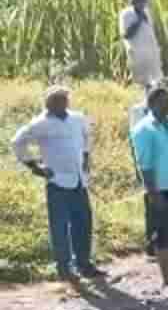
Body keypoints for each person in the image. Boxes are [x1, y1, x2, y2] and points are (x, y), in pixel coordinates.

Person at [10, 86, 105, 281]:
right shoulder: (41, 124)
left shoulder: (77, 118)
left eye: (64, 100)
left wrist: (86, 155)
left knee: (83, 222)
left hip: (79, 180)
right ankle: (64, 268)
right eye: (56, 101)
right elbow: (17, 142)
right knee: (60, 226)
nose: (61, 104)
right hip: (57, 181)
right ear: (48, 103)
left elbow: (87, 134)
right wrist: (35, 166)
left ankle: (84, 264)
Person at [130, 83, 168, 288]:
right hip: (159, 189)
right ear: (152, 104)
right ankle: (167, 278)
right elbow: (144, 165)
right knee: (163, 234)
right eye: (163, 102)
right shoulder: (144, 129)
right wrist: (153, 194)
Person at [127, 97, 157, 257]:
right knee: (151, 204)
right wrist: (138, 169)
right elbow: (134, 141)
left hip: (164, 163)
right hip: (147, 163)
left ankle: (164, 243)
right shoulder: (137, 111)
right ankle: (152, 244)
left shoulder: (166, 108)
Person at [119, 0, 164, 87]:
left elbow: (150, 32)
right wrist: (138, 21)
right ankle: (125, 88)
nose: (143, 3)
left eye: (144, 0)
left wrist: (155, 48)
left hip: (150, 51)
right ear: (134, 1)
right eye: (140, 0)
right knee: (140, 80)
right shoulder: (126, 14)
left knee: (154, 80)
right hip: (136, 52)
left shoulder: (146, 12)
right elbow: (126, 35)